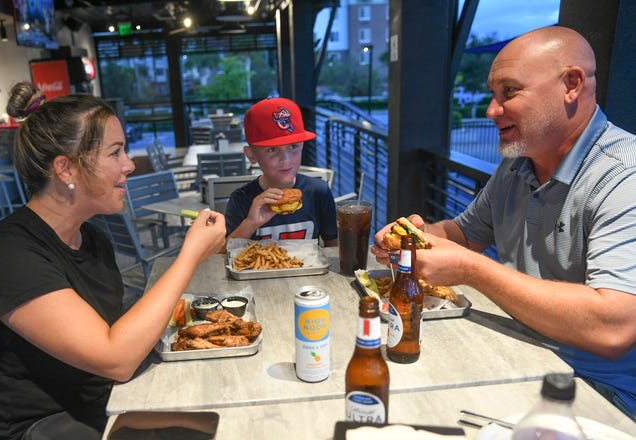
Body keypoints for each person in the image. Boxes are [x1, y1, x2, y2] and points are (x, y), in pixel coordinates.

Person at [373, 26, 636, 418]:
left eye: (509, 93)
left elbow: (613, 327)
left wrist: (471, 270)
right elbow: (465, 234)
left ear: (571, 85)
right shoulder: (518, 163)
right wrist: (414, 235)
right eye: (493, 95)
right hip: (513, 352)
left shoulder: (624, 176)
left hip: (595, 393)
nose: (491, 110)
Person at [0, 82, 226, 439]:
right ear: (66, 169)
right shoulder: (5, 256)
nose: (129, 165)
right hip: (37, 426)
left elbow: (114, 334)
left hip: (100, 400)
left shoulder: (92, 238)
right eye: (115, 153)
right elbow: (116, 358)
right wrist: (189, 255)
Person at [225, 97, 338, 246]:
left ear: (302, 146)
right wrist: (250, 222)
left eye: (293, 147)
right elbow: (224, 254)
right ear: (251, 155)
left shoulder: (319, 192)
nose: (285, 160)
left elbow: (333, 246)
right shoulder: (240, 199)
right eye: (272, 149)